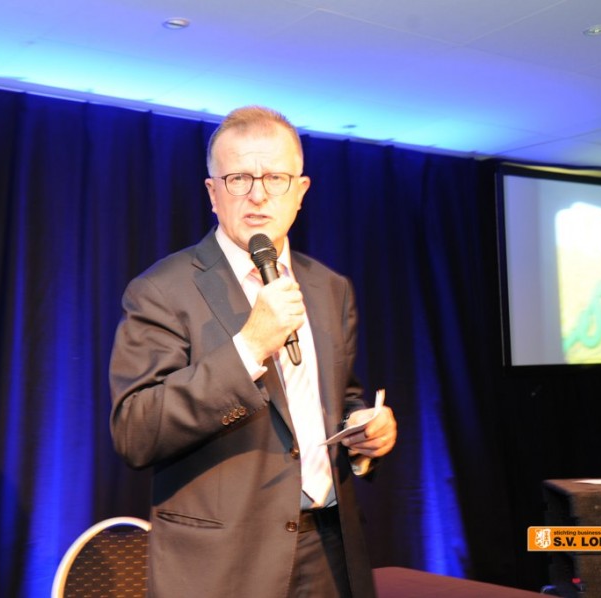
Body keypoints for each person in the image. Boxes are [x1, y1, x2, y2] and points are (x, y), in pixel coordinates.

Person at [109, 105, 397, 598]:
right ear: (212, 193)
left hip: (331, 551)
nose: (258, 195)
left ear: (300, 191)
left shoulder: (330, 287)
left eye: (276, 178)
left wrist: (364, 430)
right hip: (224, 566)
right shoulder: (162, 289)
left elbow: (339, 396)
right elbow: (136, 430)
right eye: (239, 178)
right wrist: (248, 348)